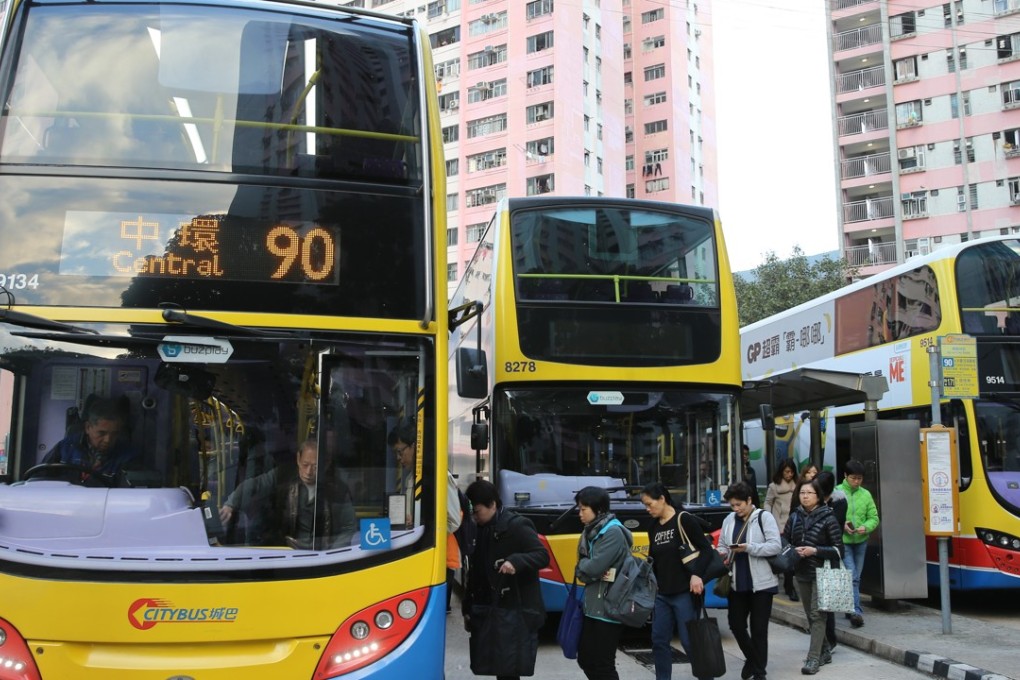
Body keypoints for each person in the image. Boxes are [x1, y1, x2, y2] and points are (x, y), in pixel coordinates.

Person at [462, 479, 548, 680]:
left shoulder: (517, 526)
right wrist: (467, 608)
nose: (475, 517)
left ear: (493, 504)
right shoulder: (481, 529)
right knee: (496, 666)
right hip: (490, 610)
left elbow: (542, 556)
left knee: (508, 669)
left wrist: (516, 561)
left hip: (514, 610)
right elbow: (475, 572)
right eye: (472, 513)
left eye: (478, 511)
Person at [219, 439, 356, 550]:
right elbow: (255, 485)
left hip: (321, 554)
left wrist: (332, 553)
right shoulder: (283, 475)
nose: (309, 472)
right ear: (298, 459)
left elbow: (348, 527)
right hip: (286, 551)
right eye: (305, 464)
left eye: (315, 467)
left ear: (326, 464)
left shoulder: (338, 489)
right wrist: (231, 504)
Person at [640, 481, 715, 680]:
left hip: (684, 593)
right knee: (658, 641)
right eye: (645, 505)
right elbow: (654, 559)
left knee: (690, 642)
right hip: (662, 594)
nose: (647, 509)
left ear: (662, 499)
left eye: (649, 504)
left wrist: (696, 575)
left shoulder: (684, 520)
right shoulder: (653, 527)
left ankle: (705, 677)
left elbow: (706, 550)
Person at [717, 481, 782, 680]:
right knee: (736, 625)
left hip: (762, 584)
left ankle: (759, 673)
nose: (736, 509)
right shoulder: (729, 519)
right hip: (737, 582)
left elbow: (775, 546)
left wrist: (749, 547)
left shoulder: (764, 517)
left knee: (759, 630)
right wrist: (722, 553)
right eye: (732, 505)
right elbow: (723, 544)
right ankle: (752, 660)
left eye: (739, 505)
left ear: (749, 500)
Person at [785, 477, 843, 675]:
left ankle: (813, 659)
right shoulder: (795, 516)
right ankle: (825, 650)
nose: (805, 496)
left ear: (818, 496)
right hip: (802, 571)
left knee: (818, 615)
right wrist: (794, 550)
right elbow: (784, 540)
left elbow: (838, 550)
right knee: (811, 615)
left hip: (823, 573)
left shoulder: (829, 517)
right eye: (802, 493)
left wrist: (814, 550)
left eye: (809, 493)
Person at [575, 486, 632, 680]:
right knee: (586, 658)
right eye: (579, 509)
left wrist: (587, 569)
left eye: (583, 509)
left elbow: (591, 568)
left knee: (602, 662)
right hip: (593, 606)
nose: (579, 513)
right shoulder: (590, 531)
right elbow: (585, 570)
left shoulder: (613, 532)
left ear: (598, 510)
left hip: (609, 607)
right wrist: (587, 570)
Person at [43, 395, 137, 485]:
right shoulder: (65, 447)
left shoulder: (128, 458)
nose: (108, 440)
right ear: (88, 427)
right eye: (102, 433)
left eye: (114, 433)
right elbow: (38, 478)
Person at [836, 459, 879, 629]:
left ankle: (850, 607)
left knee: (855, 577)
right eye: (853, 478)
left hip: (861, 541)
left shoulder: (866, 494)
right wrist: (843, 524)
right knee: (852, 576)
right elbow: (830, 517)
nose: (856, 481)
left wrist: (865, 527)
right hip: (844, 542)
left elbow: (874, 517)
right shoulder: (837, 493)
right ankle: (856, 611)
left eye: (859, 478)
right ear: (845, 476)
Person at [815, 470, 847, 655]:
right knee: (816, 602)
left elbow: (834, 525)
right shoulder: (812, 499)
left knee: (827, 600)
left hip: (830, 554)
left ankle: (830, 640)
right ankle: (823, 639)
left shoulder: (839, 502)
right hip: (813, 555)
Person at [765, 458, 799, 601]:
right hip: (778, 524)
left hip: (794, 523)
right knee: (785, 556)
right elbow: (767, 503)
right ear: (781, 471)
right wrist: (769, 519)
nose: (789, 474)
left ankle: (788, 584)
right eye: (786, 472)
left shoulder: (798, 485)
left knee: (793, 555)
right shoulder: (774, 487)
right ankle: (789, 587)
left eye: (791, 472)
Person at [389, 422, 417, 526]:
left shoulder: (437, 478)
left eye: (400, 452)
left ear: (414, 447)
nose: (398, 457)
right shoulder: (409, 479)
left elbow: (453, 520)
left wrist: (419, 522)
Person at [446, 470, 463, 614]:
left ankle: (446, 606)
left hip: (447, 552)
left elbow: (454, 521)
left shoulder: (444, 478)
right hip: (449, 553)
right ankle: (446, 606)